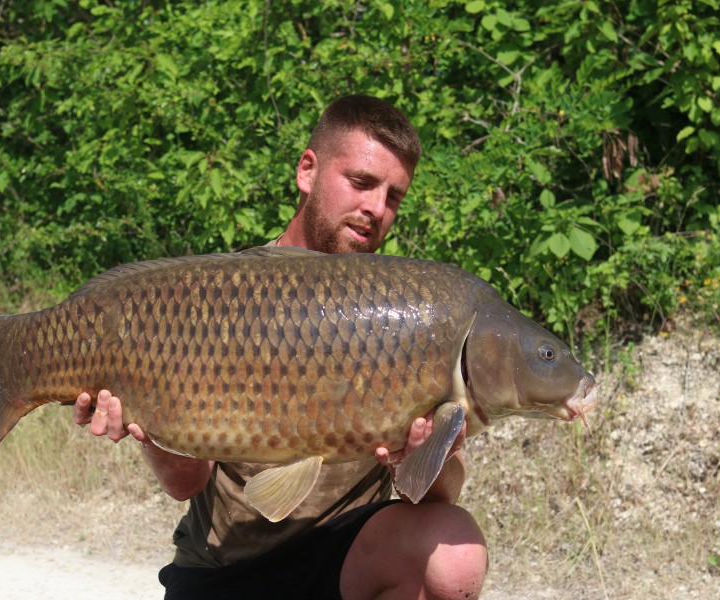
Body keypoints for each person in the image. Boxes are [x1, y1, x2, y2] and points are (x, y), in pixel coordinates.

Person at [73, 95, 488, 599]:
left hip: (348, 555)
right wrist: (146, 420)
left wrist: (430, 455)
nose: (376, 209)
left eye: (393, 197)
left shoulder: (404, 314)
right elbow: (186, 484)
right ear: (307, 171)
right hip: (224, 565)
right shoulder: (223, 294)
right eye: (361, 183)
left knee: (455, 556)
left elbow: (437, 495)